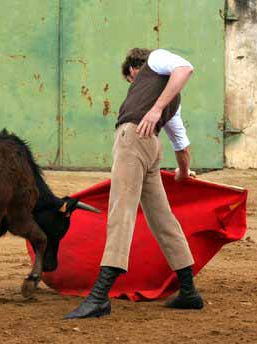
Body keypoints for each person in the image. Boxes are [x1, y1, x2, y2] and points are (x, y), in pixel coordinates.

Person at [64, 48, 204, 320]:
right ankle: (188, 291)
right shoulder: (174, 99)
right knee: (163, 219)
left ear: (132, 72)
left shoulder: (157, 59)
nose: (135, 85)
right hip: (152, 148)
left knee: (121, 213)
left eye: (132, 80)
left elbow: (186, 68)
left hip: (133, 139)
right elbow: (182, 145)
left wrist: (155, 109)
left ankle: (99, 297)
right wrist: (184, 172)